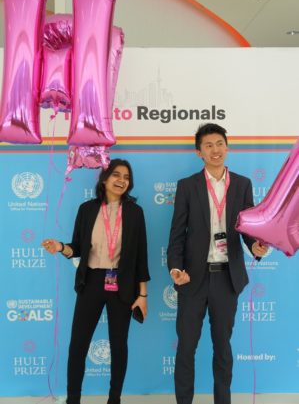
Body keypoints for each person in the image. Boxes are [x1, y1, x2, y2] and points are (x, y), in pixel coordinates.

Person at [167, 123, 268, 404]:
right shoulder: (187, 186)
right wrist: (175, 268)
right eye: (208, 145)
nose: (215, 150)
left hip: (227, 278)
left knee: (222, 348)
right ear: (199, 152)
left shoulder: (243, 184)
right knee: (186, 347)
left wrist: (256, 247)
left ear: (227, 147)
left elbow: (247, 229)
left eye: (219, 144)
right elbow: (177, 233)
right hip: (192, 279)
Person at [42, 159, 150, 404]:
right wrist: (60, 247)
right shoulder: (87, 209)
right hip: (91, 280)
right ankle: (73, 399)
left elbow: (141, 258)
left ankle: (114, 399)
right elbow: (77, 248)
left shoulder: (135, 212)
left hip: (122, 283)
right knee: (78, 344)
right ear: (104, 179)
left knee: (118, 345)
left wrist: (142, 295)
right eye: (116, 175)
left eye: (126, 177)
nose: (122, 180)